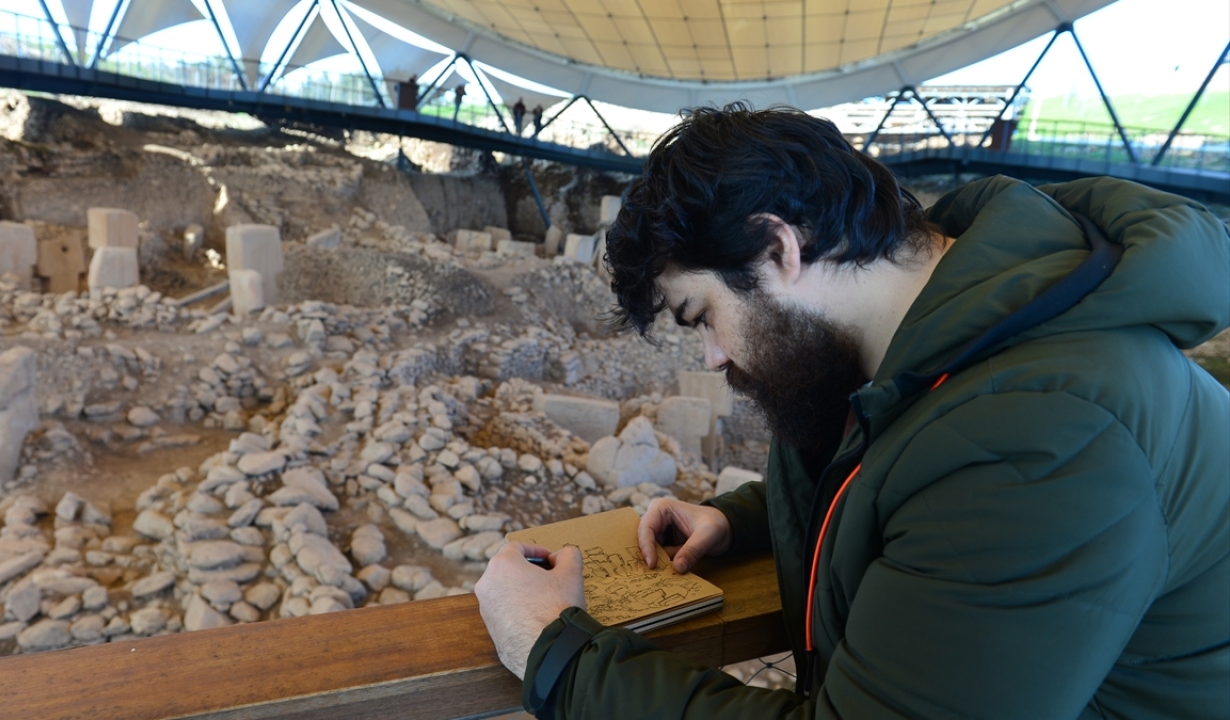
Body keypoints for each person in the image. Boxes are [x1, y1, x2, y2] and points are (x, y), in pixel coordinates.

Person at [474, 103, 1230, 719]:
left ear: (779, 248)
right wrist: (748, 519)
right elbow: (891, 462)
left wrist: (556, 651)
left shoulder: (1036, 437)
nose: (710, 356)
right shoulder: (960, 332)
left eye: (700, 313)